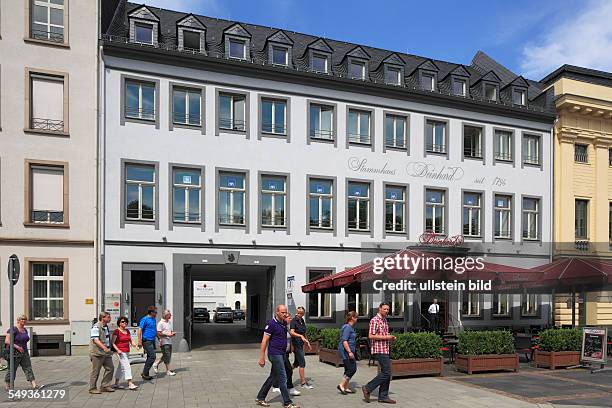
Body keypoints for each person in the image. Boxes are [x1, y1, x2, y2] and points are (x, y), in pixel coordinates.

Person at [255, 304, 298, 408]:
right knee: (283, 377)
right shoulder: (271, 324)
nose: (284, 314)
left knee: (273, 376)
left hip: (282, 353)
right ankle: (287, 402)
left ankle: (260, 397)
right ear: (277, 312)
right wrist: (262, 358)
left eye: (285, 312)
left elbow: (287, 335)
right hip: (275, 354)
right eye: (282, 312)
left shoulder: (283, 323)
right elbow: (264, 341)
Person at [362, 302, 397, 404]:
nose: (386, 311)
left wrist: (391, 337)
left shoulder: (385, 320)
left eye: (388, 309)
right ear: (380, 309)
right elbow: (371, 336)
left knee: (386, 372)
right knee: (387, 372)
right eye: (385, 309)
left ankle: (383, 396)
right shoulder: (374, 320)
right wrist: (387, 337)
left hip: (385, 348)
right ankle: (368, 388)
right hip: (379, 349)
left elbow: (384, 334)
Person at [4, 315, 41, 390]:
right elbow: (7, 341)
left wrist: (23, 348)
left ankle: (34, 384)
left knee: (28, 368)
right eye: (22, 319)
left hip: (24, 352)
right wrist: (17, 347)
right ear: (18, 320)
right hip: (14, 353)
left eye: (25, 319)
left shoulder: (25, 330)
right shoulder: (13, 329)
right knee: (12, 369)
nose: (24, 321)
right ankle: (8, 384)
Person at [272, 313, 300, 397]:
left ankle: (277, 385)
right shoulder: (279, 326)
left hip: (285, 352)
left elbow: (289, 338)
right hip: (278, 353)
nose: (290, 319)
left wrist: (291, 347)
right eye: (289, 318)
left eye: (290, 318)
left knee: (278, 370)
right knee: (287, 369)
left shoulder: (286, 327)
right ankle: (287, 387)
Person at [89, 311, 114, 394]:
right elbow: (95, 340)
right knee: (96, 371)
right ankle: (92, 388)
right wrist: (104, 348)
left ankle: (105, 386)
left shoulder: (105, 326)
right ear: (103, 318)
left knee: (110, 368)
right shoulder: (96, 327)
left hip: (106, 353)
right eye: (108, 317)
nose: (110, 318)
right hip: (97, 353)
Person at [111, 316, 139, 390]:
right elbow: (112, 343)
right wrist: (117, 350)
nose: (125, 323)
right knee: (127, 365)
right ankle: (130, 383)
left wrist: (134, 345)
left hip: (127, 351)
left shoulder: (127, 331)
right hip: (120, 352)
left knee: (121, 367)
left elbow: (130, 340)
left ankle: (116, 383)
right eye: (122, 321)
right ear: (119, 323)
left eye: (126, 321)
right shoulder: (116, 331)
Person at [289, 307, 312, 389]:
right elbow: (291, 332)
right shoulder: (293, 321)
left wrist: (307, 342)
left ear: (303, 314)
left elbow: (304, 333)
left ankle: (287, 371)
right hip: (296, 345)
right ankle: (303, 383)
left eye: (301, 313)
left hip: (301, 344)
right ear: (296, 312)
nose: (299, 315)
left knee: (296, 363)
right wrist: (300, 336)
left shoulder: (302, 321)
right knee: (302, 362)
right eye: (298, 313)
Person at [337, 311, 358, 395]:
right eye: (356, 317)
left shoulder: (349, 327)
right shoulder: (347, 327)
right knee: (352, 368)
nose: (357, 319)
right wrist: (349, 352)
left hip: (348, 350)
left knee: (347, 369)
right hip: (346, 351)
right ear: (352, 318)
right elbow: (344, 341)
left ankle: (345, 386)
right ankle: (341, 385)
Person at [153, 309, 176, 376]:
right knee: (167, 356)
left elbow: (169, 331)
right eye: (169, 315)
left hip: (169, 341)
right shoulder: (160, 323)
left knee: (167, 355)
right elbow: (158, 333)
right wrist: (167, 335)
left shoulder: (169, 322)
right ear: (165, 315)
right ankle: (168, 371)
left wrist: (172, 333)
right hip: (164, 341)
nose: (170, 316)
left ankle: (156, 363)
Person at [139, 306, 158, 380]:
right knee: (153, 356)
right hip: (146, 341)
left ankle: (146, 374)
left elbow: (155, 329)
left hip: (152, 340)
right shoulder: (144, 319)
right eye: (155, 312)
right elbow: (139, 330)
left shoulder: (153, 319)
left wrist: (158, 337)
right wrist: (139, 341)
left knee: (149, 356)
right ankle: (144, 372)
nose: (156, 313)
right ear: (151, 312)